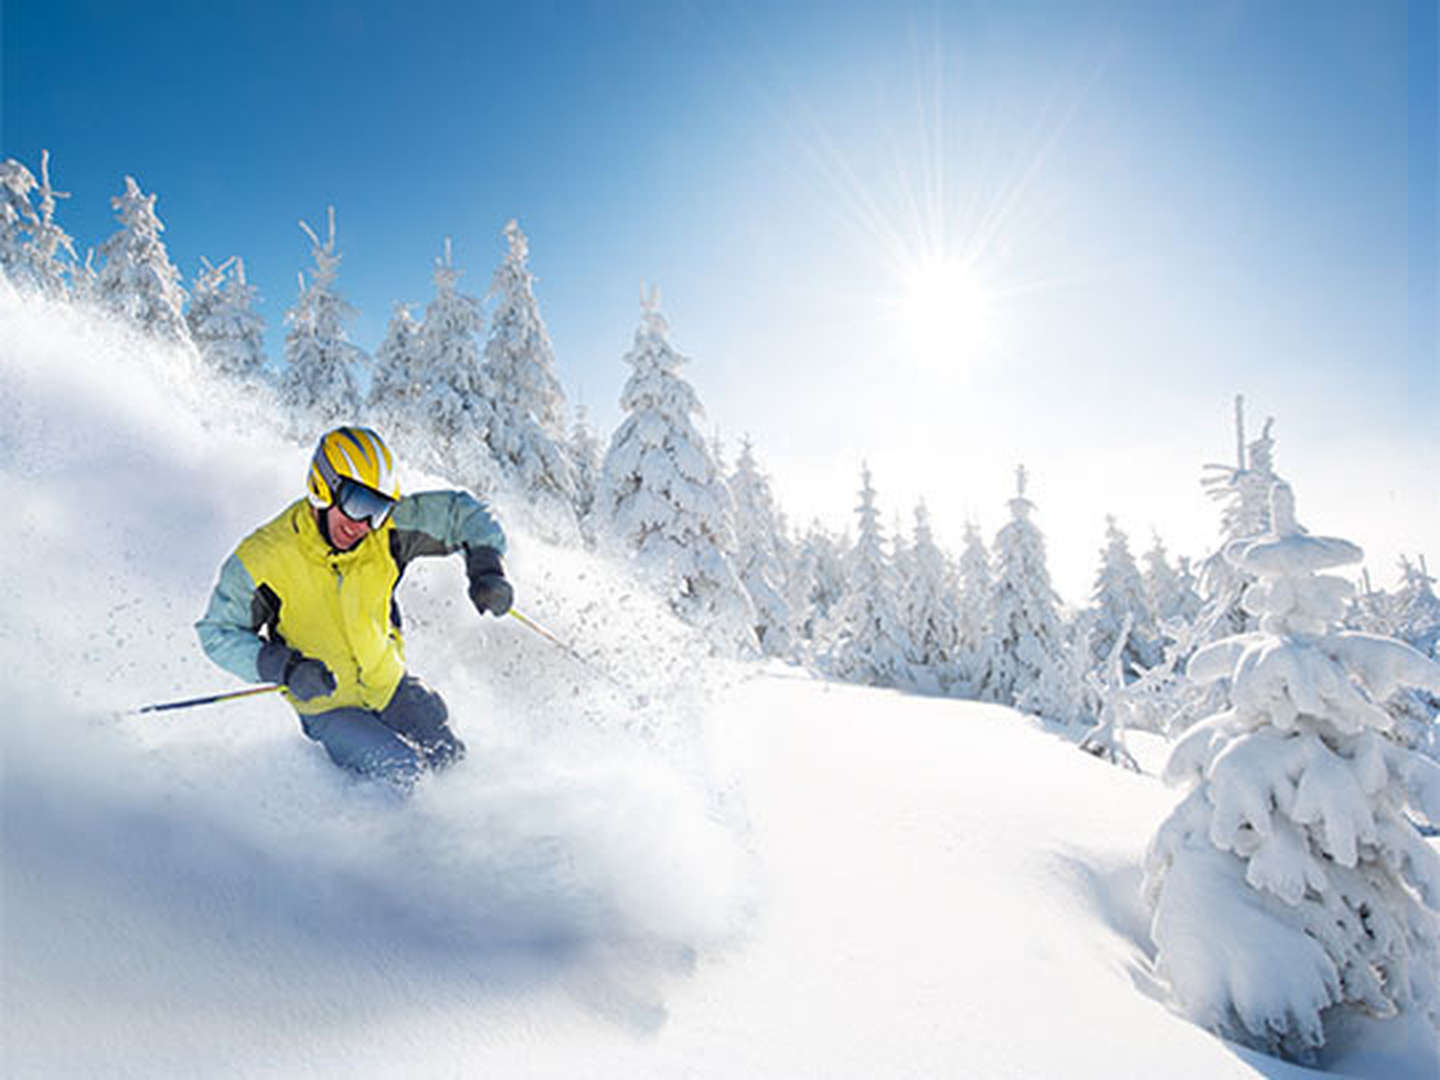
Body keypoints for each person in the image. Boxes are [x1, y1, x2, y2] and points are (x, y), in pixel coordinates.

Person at [196, 425, 513, 787]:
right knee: (404, 772)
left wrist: (487, 566)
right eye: (357, 504)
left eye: (377, 509)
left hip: (389, 684)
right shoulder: (263, 558)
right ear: (323, 486)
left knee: (451, 760)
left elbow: (463, 512)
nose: (363, 524)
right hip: (329, 704)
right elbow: (217, 633)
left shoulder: (387, 531)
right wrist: (285, 668)